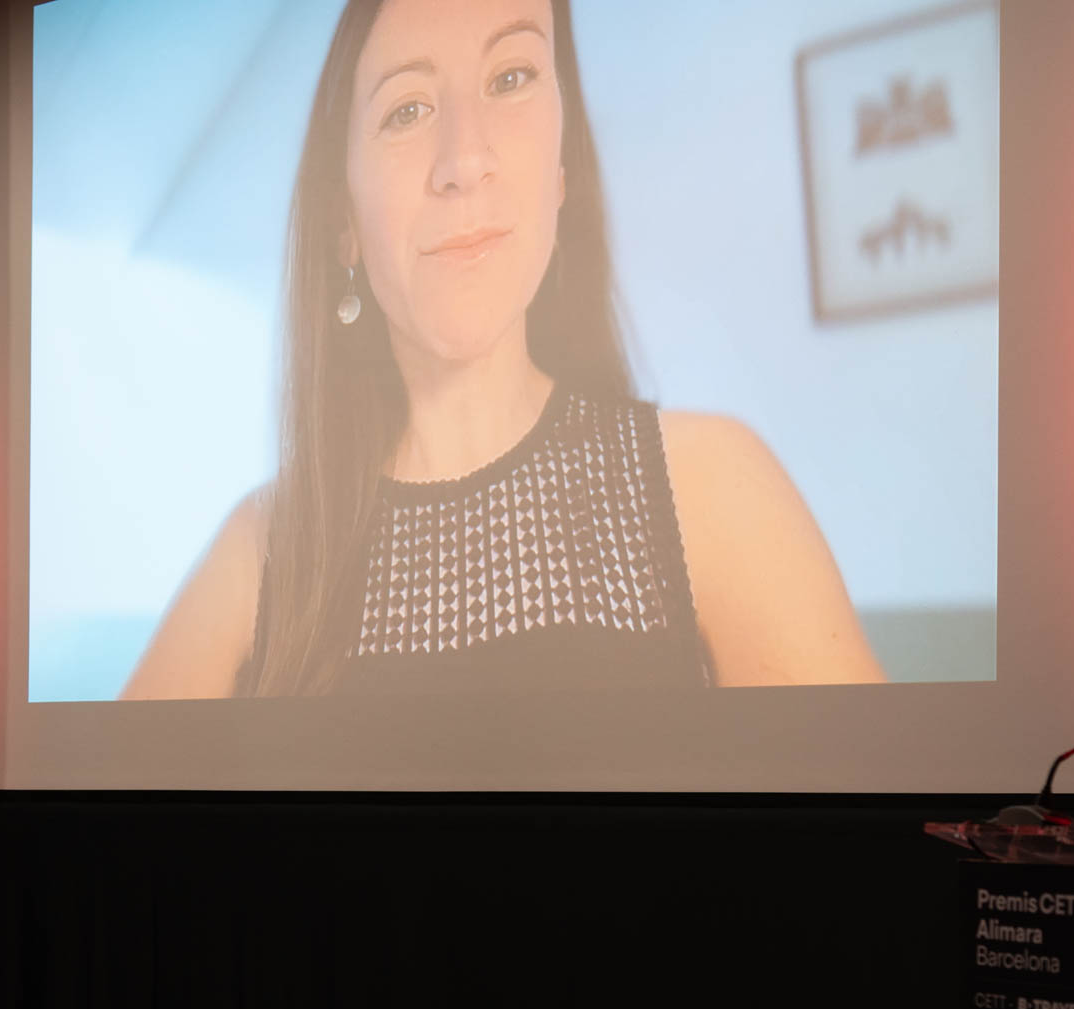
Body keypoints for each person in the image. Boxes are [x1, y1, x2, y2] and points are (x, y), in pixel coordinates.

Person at [122, 0, 884, 699]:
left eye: (511, 77)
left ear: (559, 169)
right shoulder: (260, 550)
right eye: (407, 109)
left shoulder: (714, 486)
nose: (465, 159)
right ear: (342, 221)